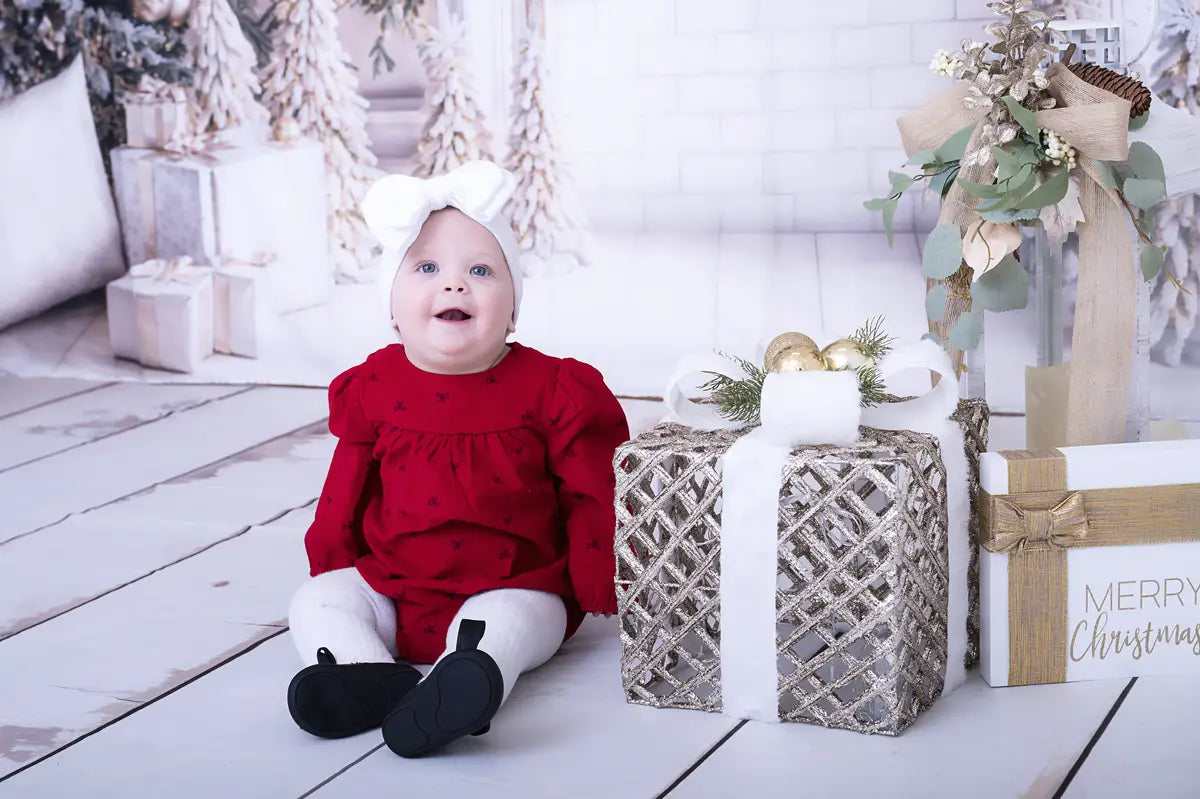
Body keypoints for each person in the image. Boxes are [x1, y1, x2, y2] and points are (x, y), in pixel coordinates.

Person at [285, 160, 630, 758]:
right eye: (426, 268)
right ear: (392, 308)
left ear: (514, 308)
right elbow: (345, 486)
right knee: (316, 601)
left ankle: (471, 678)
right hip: (392, 586)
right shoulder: (373, 385)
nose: (454, 285)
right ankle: (365, 673)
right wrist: (333, 562)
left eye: (481, 270)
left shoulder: (551, 388)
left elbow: (591, 489)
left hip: (517, 582)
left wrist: (597, 577)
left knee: (509, 623)